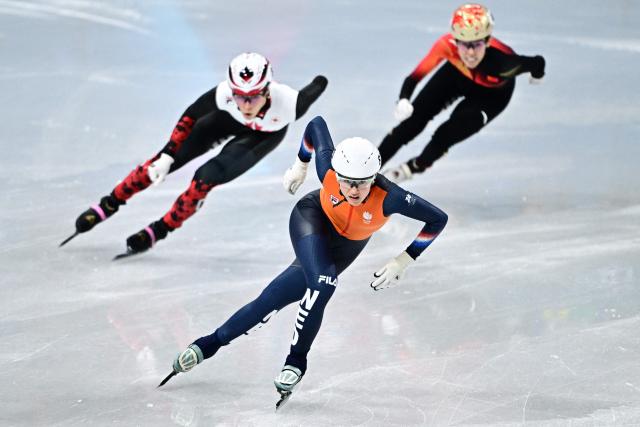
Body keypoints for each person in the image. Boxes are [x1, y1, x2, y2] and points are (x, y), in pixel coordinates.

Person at [162, 116, 448, 404]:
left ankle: (206, 345)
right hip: (311, 219)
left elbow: (438, 219)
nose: (352, 191)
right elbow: (316, 124)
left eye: (361, 184)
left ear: (373, 178)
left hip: (345, 247)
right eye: (347, 182)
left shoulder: (392, 197)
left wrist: (404, 260)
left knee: (272, 300)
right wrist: (301, 165)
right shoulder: (327, 171)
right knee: (323, 284)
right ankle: (296, 362)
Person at [62, 52, 328, 255]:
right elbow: (191, 115)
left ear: (268, 89)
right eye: (239, 96)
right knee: (161, 163)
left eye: (253, 96)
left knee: (204, 179)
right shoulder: (224, 95)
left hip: (263, 136)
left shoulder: (291, 104)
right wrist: (167, 154)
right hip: (225, 121)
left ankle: (161, 229)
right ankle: (109, 203)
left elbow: (317, 86)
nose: (246, 104)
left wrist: (320, 80)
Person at [379, 3, 546, 183]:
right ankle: (368, 167)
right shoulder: (446, 46)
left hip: (491, 96)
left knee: (450, 131)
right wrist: (404, 99)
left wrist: (538, 76)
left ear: (488, 41)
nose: (471, 53)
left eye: (477, 44)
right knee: (412, 121)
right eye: (465, 45)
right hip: (457, 75)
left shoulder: (504, 63)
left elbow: (538, 62)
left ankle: (409, 169)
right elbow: (414, 77)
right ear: (455, 40)